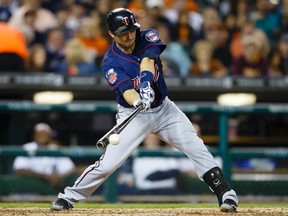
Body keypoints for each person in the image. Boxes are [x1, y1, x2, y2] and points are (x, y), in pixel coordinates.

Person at [51, 8, 239, 212]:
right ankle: (68, 197)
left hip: (164, 109)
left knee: (196, 147)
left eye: (131, 30)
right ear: (112, 34)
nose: (129, 35)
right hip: (133, 115)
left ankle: (226, 194)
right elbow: (126, 91)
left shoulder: (148, 36)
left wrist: (147, 86)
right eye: (123, 32)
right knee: (107, 164)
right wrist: (137, 101)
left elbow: (148, 61)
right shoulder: (110, 62)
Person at [13, 123, 76, 190]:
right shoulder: (27, 148)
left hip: (50, 188)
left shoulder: (54, 149)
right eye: (39, 133)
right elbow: (20, 169)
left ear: (50, 136)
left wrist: (59, 176)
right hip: (29, 188)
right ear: (34, 135)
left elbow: (70, 167)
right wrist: (45, 177)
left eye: (45, 133)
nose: (42, 136)